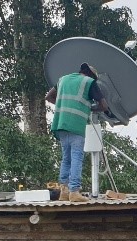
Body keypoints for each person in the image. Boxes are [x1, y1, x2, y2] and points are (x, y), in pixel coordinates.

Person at [47, 62, 109, 203]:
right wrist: (89, 108)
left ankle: (64, 192)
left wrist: (65, 105)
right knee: (76, 157)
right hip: (75, 124)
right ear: (91, 76)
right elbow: (104, 106)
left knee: (66, 158)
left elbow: (49, 97)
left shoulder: (63, 79)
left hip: (60, 123)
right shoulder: (89, 82)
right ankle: (74, 192)